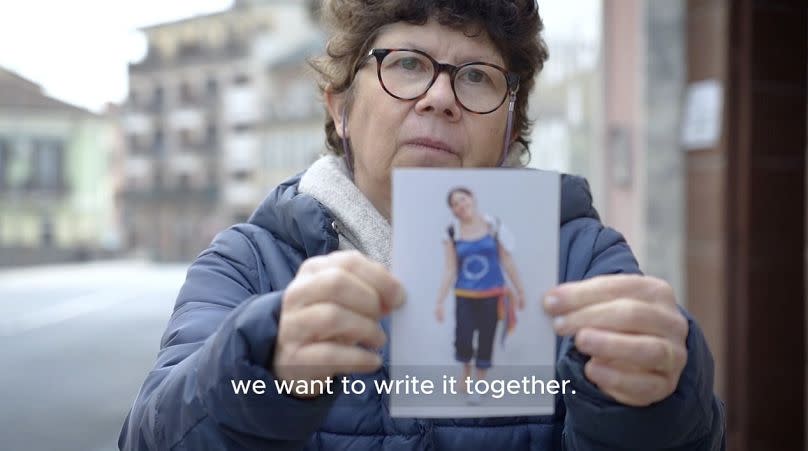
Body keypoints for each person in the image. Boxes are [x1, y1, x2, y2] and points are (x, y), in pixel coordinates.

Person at [119, 1, 726, 449]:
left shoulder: (585, 260)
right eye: (406, 63)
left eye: (476, 76)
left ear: (510, 127)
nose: (440, 97)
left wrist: (658, 401)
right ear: (341, 107)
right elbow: (151, 437)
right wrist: (255, 374)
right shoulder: (247, 264)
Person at [434, 187, 526, 404]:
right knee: (463, 337)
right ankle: (466, 373)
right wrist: (439, 301)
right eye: (455, 204)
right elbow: (450, 269)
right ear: (453, 210)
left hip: (492, 293)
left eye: (462, 200)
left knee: (487, 337)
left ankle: (480, 382)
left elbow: (506, 260)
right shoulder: (451, 232)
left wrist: (520, 290)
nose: (460, 206)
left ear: (472, 199)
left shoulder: (493, 226)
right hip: (465, 293)